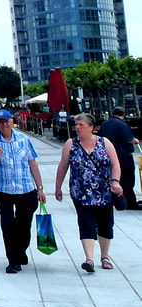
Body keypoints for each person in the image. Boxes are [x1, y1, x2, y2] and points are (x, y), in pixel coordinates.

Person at [0, 109, 45, 273]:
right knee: (8, 224)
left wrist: (40, 188)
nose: (3, 125)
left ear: (12, 121)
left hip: (25, 188)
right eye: (0, 122)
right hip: (2, 189)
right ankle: (13, 260)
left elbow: (33, 163)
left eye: (6, 121)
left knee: (24, 224)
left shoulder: (23, 139)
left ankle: (21, 250)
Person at [55, 113, 123, 272]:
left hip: (104, 192)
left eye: (81, 125)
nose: (77, 128)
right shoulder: (71, 144)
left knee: (106, 224)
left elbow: (115, 164)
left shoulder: (104, 143)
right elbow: (63, 166)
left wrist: (116, 181)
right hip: (81, 192)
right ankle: (89, 259)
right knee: (86, 223)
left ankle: (104, 256)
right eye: (76, 125)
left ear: (91, 127)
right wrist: (58, 188)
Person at [99, 106, 139, 210]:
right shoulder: (122, 125)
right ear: (123, 115)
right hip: (123, 155)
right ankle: (129, 202)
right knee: (127, 180)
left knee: (114, 177)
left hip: (108, 154)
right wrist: (135, 140)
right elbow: (128, 138)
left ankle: (114, 200)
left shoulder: (104, 124)